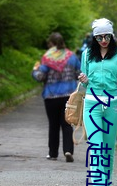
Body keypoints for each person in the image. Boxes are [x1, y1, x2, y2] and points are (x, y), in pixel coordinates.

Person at [78, 18, 117, 186]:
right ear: (94, 37)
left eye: (107, 36)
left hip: (113, 106)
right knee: (97, 148)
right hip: (92, 104)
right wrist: (83, 79)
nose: (103, 40)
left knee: (108, 150)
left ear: (112, 35)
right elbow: (84, 83)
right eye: (99, 37)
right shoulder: (86, 55)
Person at [32, 32, 81, 162]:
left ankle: (53, 153)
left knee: (53, 125)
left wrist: (35, 70)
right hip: (68, 96)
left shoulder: (47, 58)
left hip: (51, 96)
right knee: (67, 124)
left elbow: (40, 77)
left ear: (51, 44)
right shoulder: (72, 57)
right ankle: (68, 150)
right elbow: (79, 74)